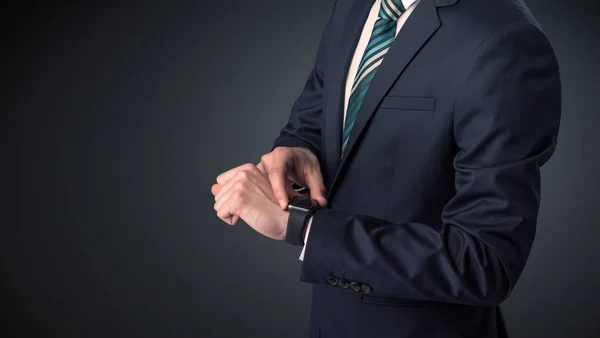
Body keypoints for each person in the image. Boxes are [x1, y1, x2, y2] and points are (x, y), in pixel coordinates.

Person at [211, 0, 561, 336]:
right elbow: (318, 110)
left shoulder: (505, 39)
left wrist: (304, 229)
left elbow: (484, 263)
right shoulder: (352, 5)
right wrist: (297, 147)